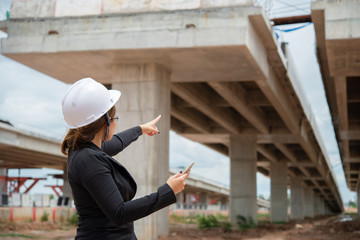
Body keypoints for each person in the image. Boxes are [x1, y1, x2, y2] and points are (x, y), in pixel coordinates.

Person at [61, 78, 189, 239]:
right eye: (115, 117)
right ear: (105, 121)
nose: (116, 121)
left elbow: (115, 143)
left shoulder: (82, 150)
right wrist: (168, 191)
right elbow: (119, 213)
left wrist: (140, 129)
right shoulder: (89, 160)